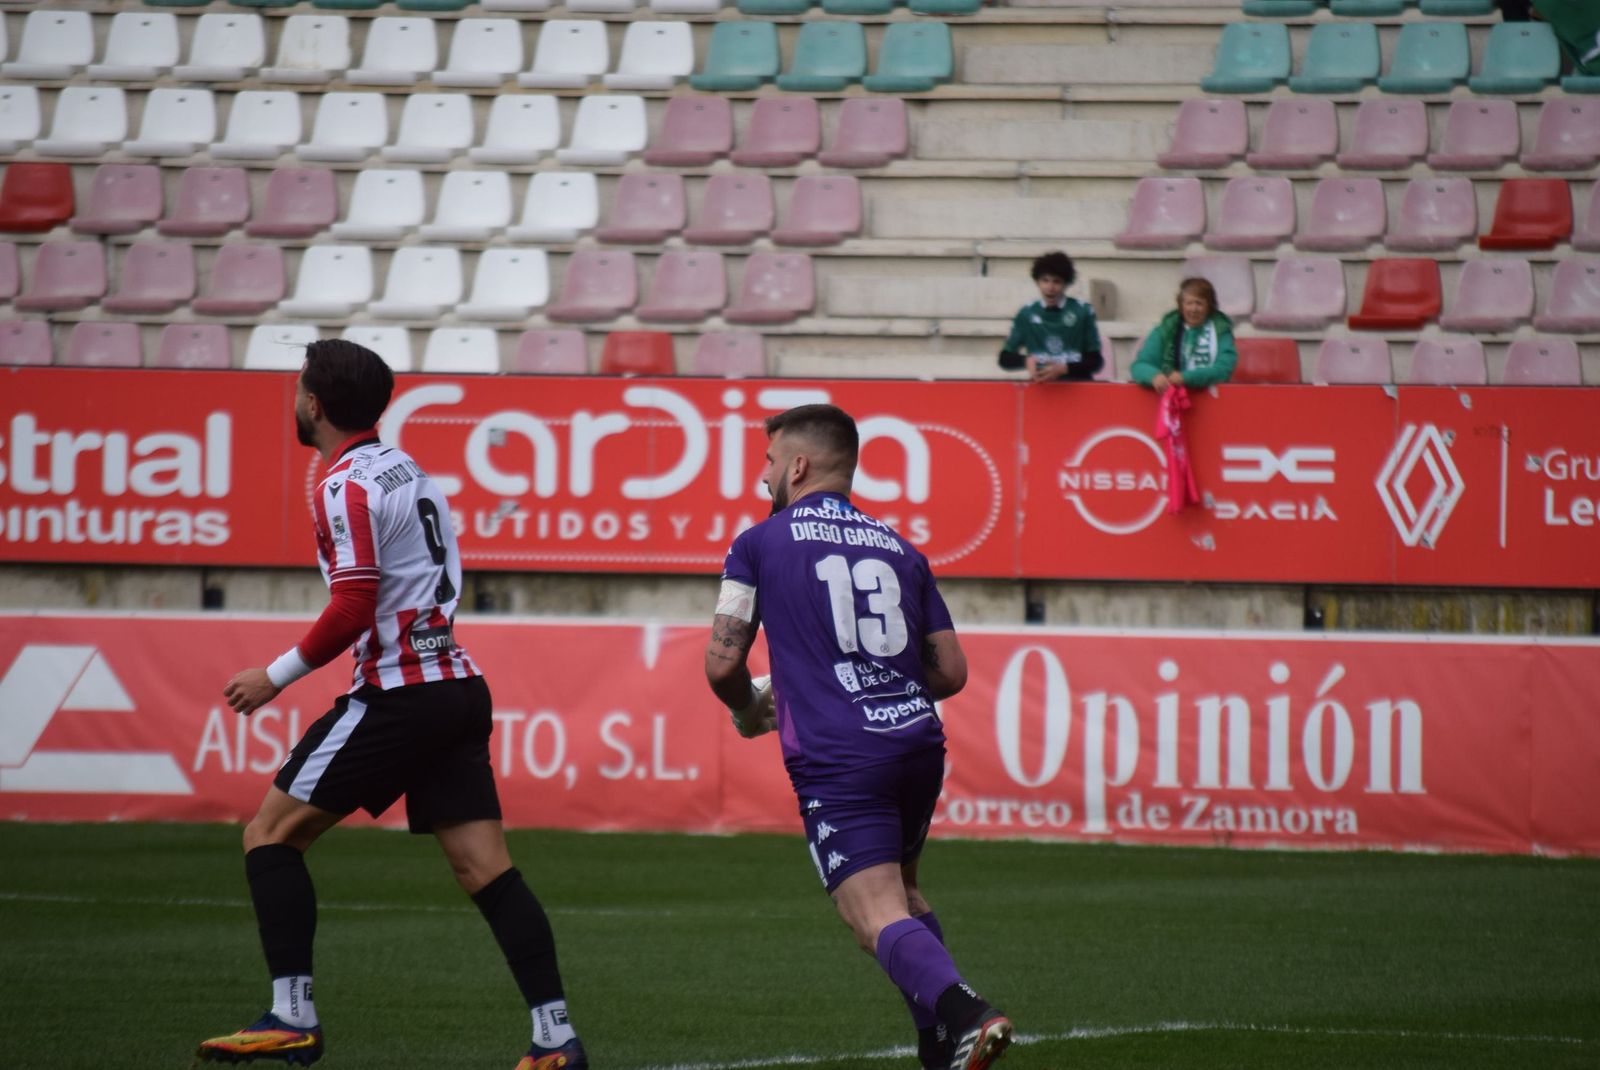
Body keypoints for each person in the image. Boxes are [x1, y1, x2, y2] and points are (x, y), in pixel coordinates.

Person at [195, 340, 585, 1070]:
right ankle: (555, 1036)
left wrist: (274, 676)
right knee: (485, 870)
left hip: (401, 693)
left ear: (314, 403)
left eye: (297, 390)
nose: (294, 401)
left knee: (270, 836)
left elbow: (352, 605)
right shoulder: (408, 469)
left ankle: (291, 1015)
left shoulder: (344, 484)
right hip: (457, 687)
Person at [704, 404, 1012, 1070]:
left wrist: (743, 709)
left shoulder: (758, 542)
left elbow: (723, 662)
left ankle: (967, 1014)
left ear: (798, 465)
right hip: (916, 743)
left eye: (766, 463)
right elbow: (951, 672)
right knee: (904, 892)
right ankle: (938, 1047)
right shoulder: (900, 548)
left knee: (869, 915)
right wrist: (881, 683)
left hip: (841, 756)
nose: (761, 480)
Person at [998, 250, 1104, 383]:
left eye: (1057, 281)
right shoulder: (1026, 313)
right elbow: (1004, 359)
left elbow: (1096, 362)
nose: (1050, 287)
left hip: (1077, 387)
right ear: (1037, 282)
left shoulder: (1082, 311)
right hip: (1042, 389)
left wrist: (1065, 368)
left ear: (1066, 284)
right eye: (1045, 280)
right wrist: (1026, 361)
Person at [1129, 276, 1238, 394]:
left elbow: (1224, 369)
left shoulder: (1221, 330)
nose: (1194, 309)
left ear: (1209, 306)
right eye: (1189, 303)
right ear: (1181, 306)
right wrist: (1154, 376)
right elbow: (1140, 365)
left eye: (1199, 303)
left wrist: (1186, 378)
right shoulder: (1166, 329)